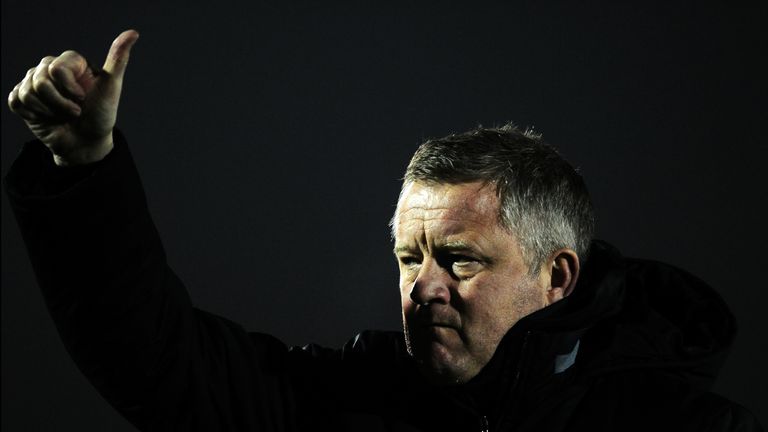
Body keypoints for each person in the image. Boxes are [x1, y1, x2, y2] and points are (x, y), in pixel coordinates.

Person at [5, 30, 763, 432]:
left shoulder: (690, 427)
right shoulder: (344, 401)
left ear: (556, 276)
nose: (421, 287)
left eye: (459, 260)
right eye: (409, 256)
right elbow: (154, 360)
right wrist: (83, 165)